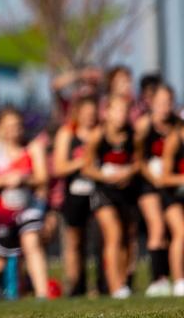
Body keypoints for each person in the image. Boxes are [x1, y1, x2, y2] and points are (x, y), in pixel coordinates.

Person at [0, 108, 49, 300]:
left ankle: (42, 294)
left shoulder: (33, 147)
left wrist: (24, 180)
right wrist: (4, 180)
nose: (14, 130)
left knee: (31, 243)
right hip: (3, 212)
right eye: (9, 126)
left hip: (29, 207)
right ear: (0, 129)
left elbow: (43, 178)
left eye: (17, 126)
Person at [85, 96, 138, 298]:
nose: (121, 116)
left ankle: (123, 282)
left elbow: (138, 162)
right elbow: (87, 167)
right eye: (117, 111)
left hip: (125, 192)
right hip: (103, 192)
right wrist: (107, 176)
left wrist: (128, 173)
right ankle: (115, 286)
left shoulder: (132, 136)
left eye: (125, 111)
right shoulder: (98, 136)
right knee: (113, 234)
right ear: (106, 113)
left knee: (126, 237)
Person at [51, 95, 98, 297]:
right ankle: (74, 287)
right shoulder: (67, 134)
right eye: (85, 114)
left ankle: (98, 286)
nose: (89, 117)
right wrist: (82, 163)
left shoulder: (99, 133)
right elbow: (59, 167)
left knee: (96, 243)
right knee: (73, 242)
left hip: (97, 194)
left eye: (92, 114)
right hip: (73, 196)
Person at [135, 82, 175, 296]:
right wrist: (154, 177)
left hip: (169, 184)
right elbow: (138, 158)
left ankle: (171, 277)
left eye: (168, 102)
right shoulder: (144, 125)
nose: (165, 107)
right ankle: (156, 279)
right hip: (148, 184)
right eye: (161, 102)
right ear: (152, 103)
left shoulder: (177, 125)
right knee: (157, 228)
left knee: (175, 231)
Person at [160, 86, 184, 296]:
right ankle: (178, 282)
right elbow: (164, 177)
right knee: (180, 233)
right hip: (172, 195)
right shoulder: (175, 140)